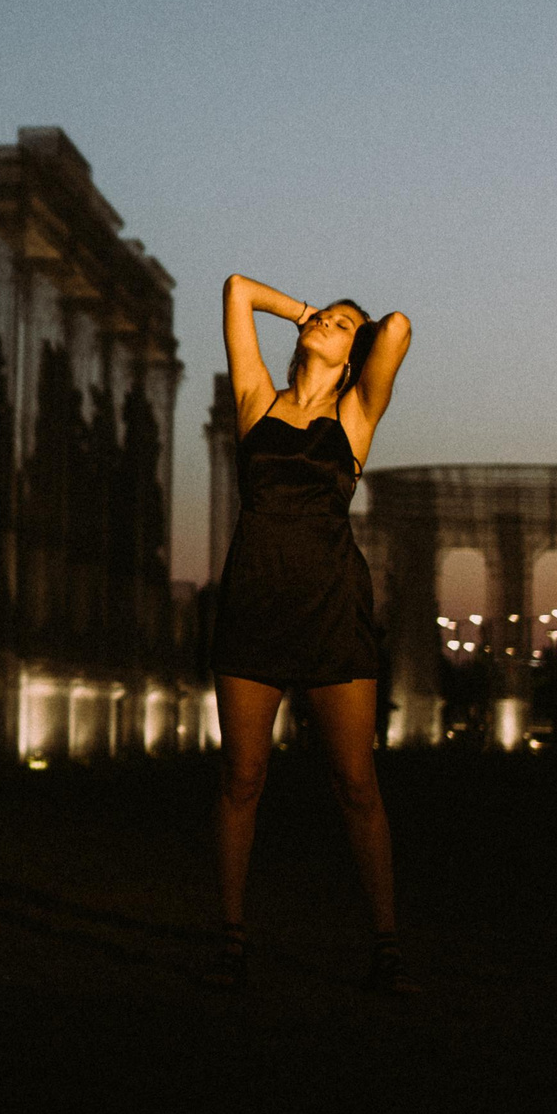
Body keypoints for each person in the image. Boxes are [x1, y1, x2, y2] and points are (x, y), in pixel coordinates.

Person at [208, 275, 415, 994]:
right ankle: (232, 939)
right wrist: (306, 315)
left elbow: (399, 329)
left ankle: (385, 948)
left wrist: (356, 329)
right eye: (322, 314)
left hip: (333, 608)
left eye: (337, 322)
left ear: (353, 354)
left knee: (356, 783)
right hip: (254, 604)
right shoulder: (255, 401)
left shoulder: (356, 416)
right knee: (243, 777)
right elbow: (236, 290)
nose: (324, 319)